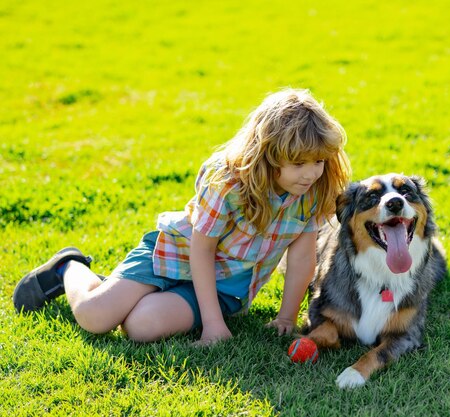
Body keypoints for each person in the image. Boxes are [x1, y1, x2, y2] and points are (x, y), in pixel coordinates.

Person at [13, 88, 351, 345]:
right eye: (298, 164)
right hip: (175, 254)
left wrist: (287, 317)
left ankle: (127, 293)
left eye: (318, 162)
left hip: (224, 287)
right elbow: (201, 249)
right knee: (95, 317)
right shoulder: (228, 182)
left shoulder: (310, 192)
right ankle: (69, 267)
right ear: (267, 155)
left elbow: (303, 256)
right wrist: (213, 325)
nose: (310, 174)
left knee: (140, 328)